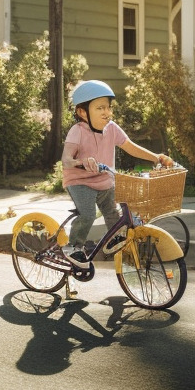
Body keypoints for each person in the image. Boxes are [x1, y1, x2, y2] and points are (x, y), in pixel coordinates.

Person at [60, 80, 174, 268]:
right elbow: (66, 160)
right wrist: (81, 163)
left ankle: (114, 244)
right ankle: (73, 247)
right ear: (82, 112)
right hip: (79, 182)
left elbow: (130, 147)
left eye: (108, 107)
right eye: (100, 108)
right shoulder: (77, 132)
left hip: (104, 180)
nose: (107, 112)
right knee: (88, 215)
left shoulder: (111, 128)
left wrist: (156, 157)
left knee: (115, 215)